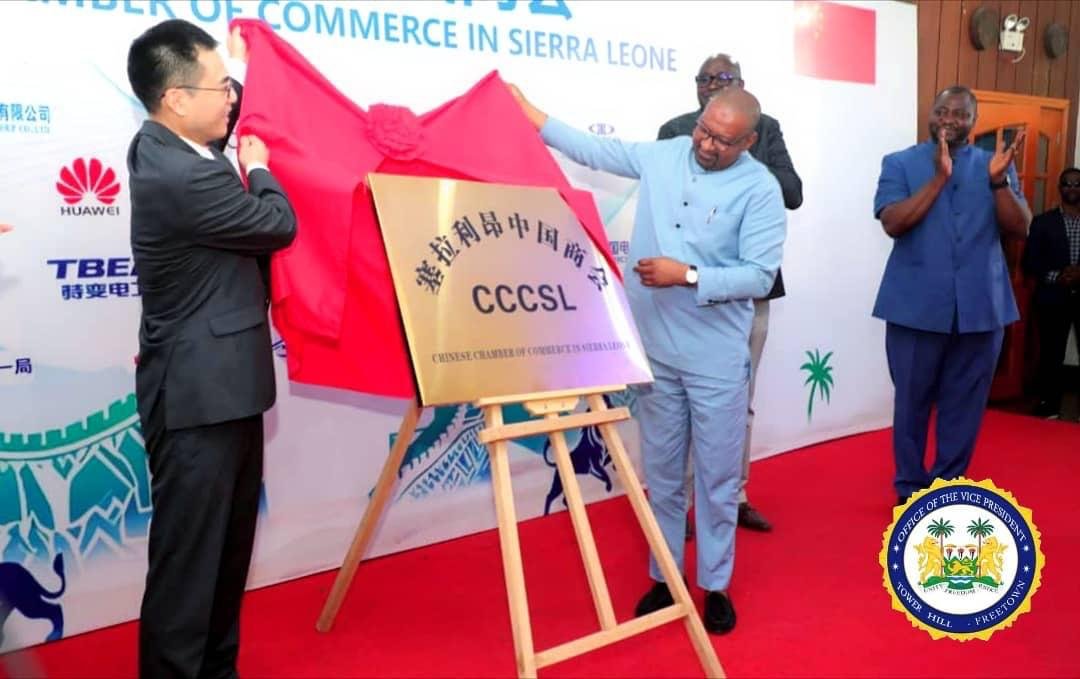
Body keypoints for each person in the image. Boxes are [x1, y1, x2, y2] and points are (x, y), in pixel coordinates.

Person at [510, 84, 786, 634]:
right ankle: (665, 576)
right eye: (704, 130)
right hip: (655, 350)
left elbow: (759, 276)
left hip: (715, 358)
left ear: (748, 142)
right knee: (661, 473)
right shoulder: (666, 154)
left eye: (721, 140)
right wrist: (531, 113)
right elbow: (596, 150)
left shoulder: (761, 189)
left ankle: (715, 585)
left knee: (716, 480)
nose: (705, 144)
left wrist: (688, 275)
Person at [126, 19, 296, 678]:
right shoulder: (178, 173)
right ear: (175, 99)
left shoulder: (180, 145)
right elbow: (275, 224)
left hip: (226, 388)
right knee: (190, 568)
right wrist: (260, 169)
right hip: (198, 399)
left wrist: (248, 68)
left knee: (225, 556)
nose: (231, 99)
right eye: (220, 87)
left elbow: (228, 117)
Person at [658, 53, 803, 534]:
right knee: (680, 405)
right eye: (704, 78)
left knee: (738, 399)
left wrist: (739, 158)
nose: (712, 84)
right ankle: (678, 505)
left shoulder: (765, 130)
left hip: (745, 294)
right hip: (685, 293)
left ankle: (733, 496)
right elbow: (666, 201)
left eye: (723, 78)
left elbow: (793, 191)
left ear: (742, 85)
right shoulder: (676, 131)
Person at [873, 85, 1030, 507]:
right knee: (911, 403)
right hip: (914, 308)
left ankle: (945, 489)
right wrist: (939, 179)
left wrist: (998, 183)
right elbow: (893, 223)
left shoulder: (994, 165)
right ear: (931, 113)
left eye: (960, 114)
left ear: (973, 122)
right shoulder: (899, 162)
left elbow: (1020, 227)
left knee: (965, 406)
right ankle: (909, 490)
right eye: (942, 111)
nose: (949, 119)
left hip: (981, 309)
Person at [1023, 167, 1080, 419]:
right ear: (1060, 188)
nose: (1072, 188)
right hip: (1052, 298)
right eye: (1067, 183)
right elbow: (1029, 262)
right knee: (1051, 354)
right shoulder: (1042, 222)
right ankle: (1050, 406)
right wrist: (1059, 276)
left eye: (1077, 184)